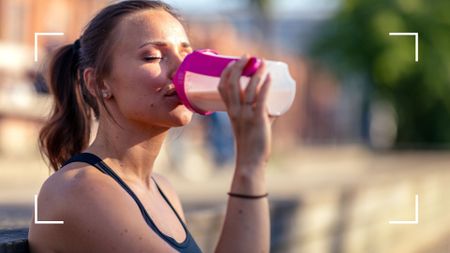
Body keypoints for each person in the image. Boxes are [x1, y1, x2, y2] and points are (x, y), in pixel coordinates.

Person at [28, 1, 274, 252]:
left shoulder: (162, 190)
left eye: (187, 56)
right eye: (153, 56)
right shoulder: (77, 189)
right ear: (99, 83)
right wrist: (249, 166)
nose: (182, 69)